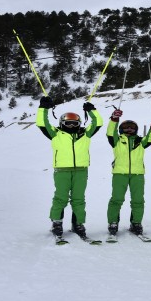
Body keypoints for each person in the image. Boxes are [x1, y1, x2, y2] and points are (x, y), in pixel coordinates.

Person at [36, 96, 103, 239]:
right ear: (62, 123)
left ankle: (78, 224)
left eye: (74, 124)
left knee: (79, 199)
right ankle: (57, 223)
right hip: (62, 170)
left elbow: (98, 123)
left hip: (81, 170)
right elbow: (42, 123)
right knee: (61, 198)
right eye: (68, 123)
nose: (71, 126)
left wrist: (91, 111)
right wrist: (44, 108)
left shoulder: (85, 133)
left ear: (79, 123)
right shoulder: (55, 133)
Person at [105, 109, 151, 237]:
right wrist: (114, 119)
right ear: (121, 130)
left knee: (138, 201)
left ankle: (136, 223)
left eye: (132, 128)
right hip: (119, 174)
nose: (129, 129)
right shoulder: (116, 140)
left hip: (137, 174)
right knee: (117, 199)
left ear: (136, 130)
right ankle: (113, 222)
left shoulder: (140, 141)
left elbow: (150, 138)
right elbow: (110, 132)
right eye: (126, 127)